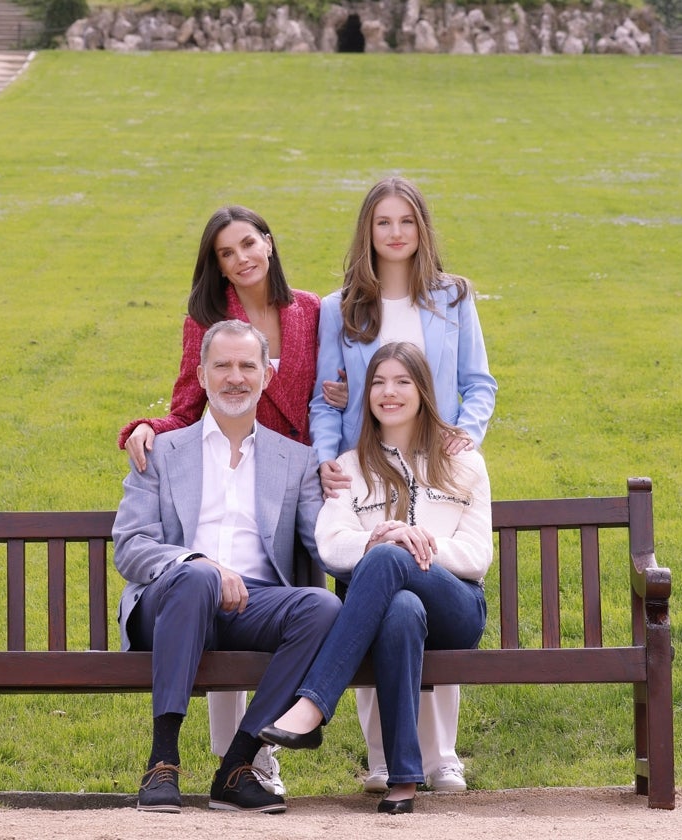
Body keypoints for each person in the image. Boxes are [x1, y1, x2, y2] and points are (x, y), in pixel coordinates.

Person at [117, 206, 345, 794]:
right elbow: (131, 547)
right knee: (194, 581)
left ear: (268, 374)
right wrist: (198, 564)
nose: (236, 377)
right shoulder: (164, 452)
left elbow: (322, 537)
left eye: (249, 366)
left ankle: (238, 763)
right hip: (169, 604)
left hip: (253, 605)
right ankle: (162, 762)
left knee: (321, 608)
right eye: (223, 367)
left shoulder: (293, 462)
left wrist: (377, 536)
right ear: (203, 370)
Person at [309, 176, 497, 793]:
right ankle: (390, 759)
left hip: (437, 467)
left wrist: (460, 435)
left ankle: (435, 754)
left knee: (407, 569)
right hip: (368, 471)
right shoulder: (341, 309)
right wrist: (329, 461)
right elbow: (326, 396)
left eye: (406, 222)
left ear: (422, 230)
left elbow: (478, 382)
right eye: (382, 222)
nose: (394, 234)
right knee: (393, 595)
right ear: (367, 231)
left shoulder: (452, 297)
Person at [261, 341, 493, 814]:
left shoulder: (464, 462)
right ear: (366, 395)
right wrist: (374, 543)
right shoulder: (350, 468)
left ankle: (313, 705)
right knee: (400, 608)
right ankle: (403, 779)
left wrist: (414, 542)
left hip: (457, 606)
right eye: (379, 382)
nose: (389, 392)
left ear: (423, 390)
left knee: (392, 555)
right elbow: (329, 543)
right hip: (386, 613)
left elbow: (475, 556)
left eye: (402, 381)